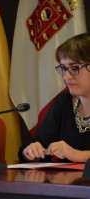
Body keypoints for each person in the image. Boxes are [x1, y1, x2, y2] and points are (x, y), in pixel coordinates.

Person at [18, 33, 90, 163]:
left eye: (74, 68)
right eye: (63, 68)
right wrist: (30, 151)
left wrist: (76, 155)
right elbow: (38, 143)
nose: (66, 77)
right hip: (66, 183)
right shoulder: (64, 102)